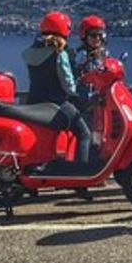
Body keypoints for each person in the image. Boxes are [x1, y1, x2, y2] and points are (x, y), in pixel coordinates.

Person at [23, 12, 94, 171]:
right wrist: (76, 93)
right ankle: (81, 173)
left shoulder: (31, 52)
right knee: (84, 134)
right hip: (55, 104)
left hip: (33, 104)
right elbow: (68, 84)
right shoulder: (59, 54)